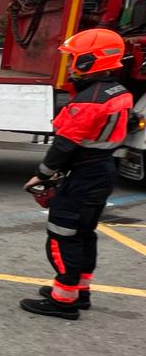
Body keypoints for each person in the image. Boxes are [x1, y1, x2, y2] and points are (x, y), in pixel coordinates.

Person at [20, 28, 133, 320]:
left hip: (84, 174)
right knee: (84, 234)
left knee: (62, 235)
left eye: (75, 59)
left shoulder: (88, 99)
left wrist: (42, 175)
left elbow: (64, 145)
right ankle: (79, 292)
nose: (71, 65)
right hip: (100, 170)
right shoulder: (116, 91)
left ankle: (64, 300)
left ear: (90, 61)